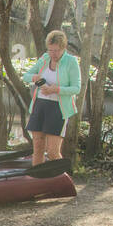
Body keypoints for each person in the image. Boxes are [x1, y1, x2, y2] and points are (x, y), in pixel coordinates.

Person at [22, 30, 81, 165]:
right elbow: (26, 76)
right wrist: (34, 77)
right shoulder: (44, 58)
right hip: (40, 105)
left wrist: (57, 89)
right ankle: (38, 183)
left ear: (63, 48)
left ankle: (65, 182)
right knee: (37, 148)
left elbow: (76, 88)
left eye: (56, 51)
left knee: (53, 152)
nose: (53, 54)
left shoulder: (71, 62)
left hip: (58, 108)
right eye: (50, 50)